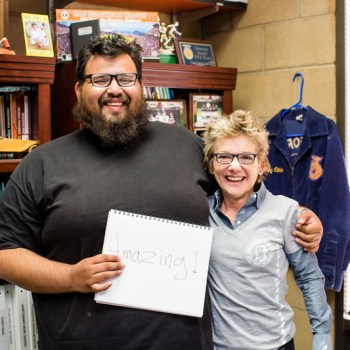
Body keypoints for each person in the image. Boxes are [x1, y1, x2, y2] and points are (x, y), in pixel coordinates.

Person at [0, 34, 322, 350]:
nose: (114, 89)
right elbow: (5, 253)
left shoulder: (188, 147)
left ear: (141, 86)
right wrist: (71, 277)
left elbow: (247, 199)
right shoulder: (42, 164)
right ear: (79, 89)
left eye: (126, 78)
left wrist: (304, 218)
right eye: (100, 79)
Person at [202, 110, 332, 350]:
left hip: (274, 345)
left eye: (246, 158)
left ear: (262, 165)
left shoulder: (286, 212)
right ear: (211, 165)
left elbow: (310, 277)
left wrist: (322, 334)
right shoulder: (200, 211)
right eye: (223, 157)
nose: (234, 166)